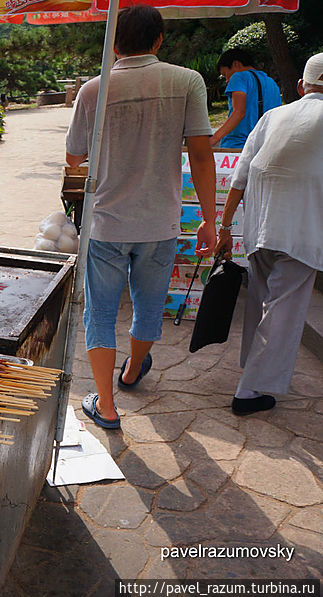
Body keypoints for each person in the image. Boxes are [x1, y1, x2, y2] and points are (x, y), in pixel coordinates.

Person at [65, 5, 217, 429]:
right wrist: (210, 220)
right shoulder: (186, 81)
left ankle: (107, 407)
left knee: (100, 313)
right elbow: (201, 154)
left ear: (114, 44)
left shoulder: (94, 89)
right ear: (158, 41)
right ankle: (132, 371)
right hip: (160, 222)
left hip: (107, 224)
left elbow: (75, 156)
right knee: (149, 308)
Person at [215, 53, 323, 416]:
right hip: (301, 233)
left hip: (257, 228)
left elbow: (239, 177)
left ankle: (254, 371)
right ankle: (249, 391)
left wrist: (225, 228)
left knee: (262, 303)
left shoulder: (273, 116)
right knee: (283, 311)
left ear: (300, 86)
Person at [209, 49, 281, 150]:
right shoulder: (271, 83)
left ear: (236, 64)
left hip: (237, 145)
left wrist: (213, 139)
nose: (227, 80)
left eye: (225, 74)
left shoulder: (238, 77)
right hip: (264, 146)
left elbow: (239, 112)